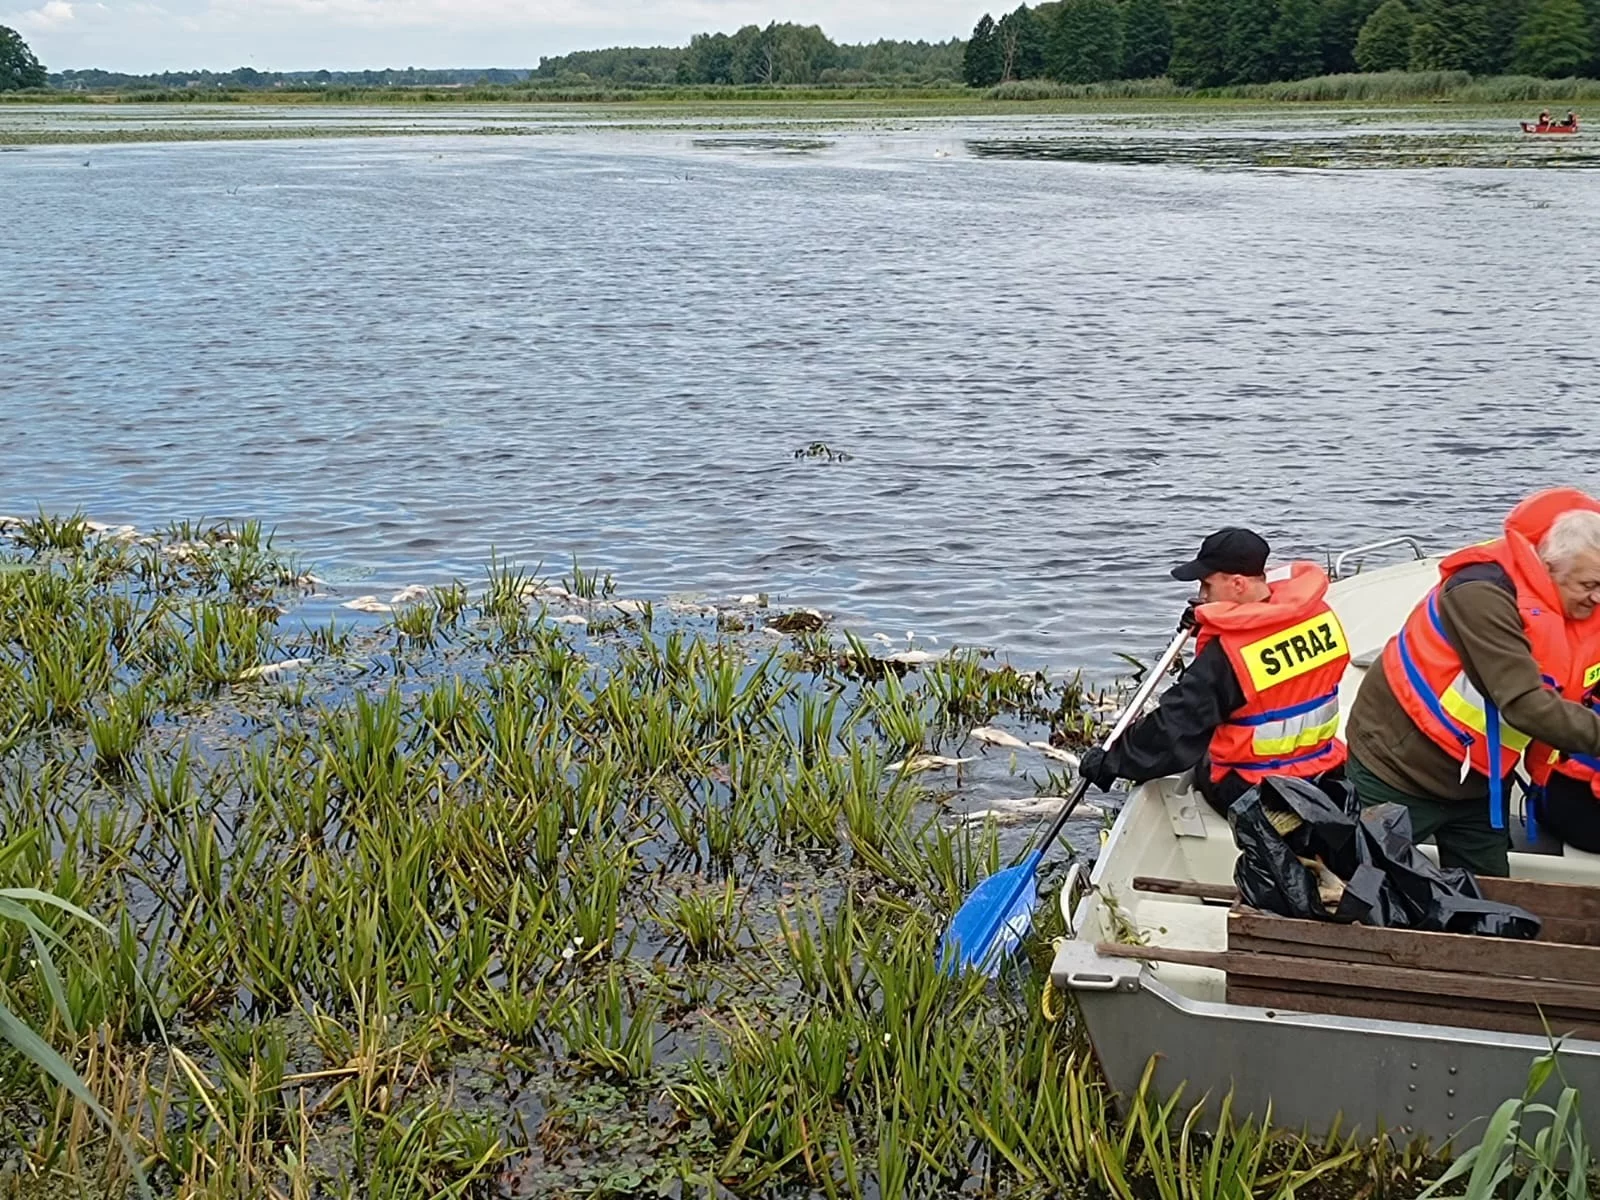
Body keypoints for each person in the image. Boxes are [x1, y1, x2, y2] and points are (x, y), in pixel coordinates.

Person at [1344, 489, 1600, 877]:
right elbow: (1524, 703)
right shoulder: (1482, 596)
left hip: (1479, 780)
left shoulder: (1571, 598)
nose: (1597, 598)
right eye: (1589, 586)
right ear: (1548, 568)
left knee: (1490, 891)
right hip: (1398, 765)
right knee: (1376, 883)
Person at [1078, 527, 1350, 816]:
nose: (1201, 595)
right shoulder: (1319, 615)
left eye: (1207, 585)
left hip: (1255, 789)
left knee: (1201, 751)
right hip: (1323, 769)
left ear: (1237, 584)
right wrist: (1215, 620)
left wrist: (1113, 761)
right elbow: (1267, 632)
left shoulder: (1230, 657)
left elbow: (1176, 726)